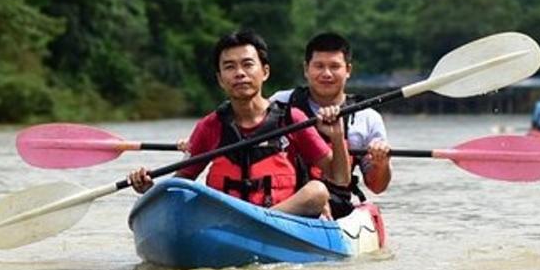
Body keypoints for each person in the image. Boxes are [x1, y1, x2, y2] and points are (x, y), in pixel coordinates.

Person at [127, 30, 349, 218]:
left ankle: (261, 222)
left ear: (265, 72)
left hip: (281, 222)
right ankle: (246, 225)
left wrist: (337, 136)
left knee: (317, 191)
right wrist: (149, 190)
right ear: (220, 79)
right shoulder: (210, 126)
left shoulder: (291, 118)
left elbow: (340, 178)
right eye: (230, 67)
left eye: (247, 64)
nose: (240, 73)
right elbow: (179, 186)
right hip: (226, 220)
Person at [271, 32, 391, 219]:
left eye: (335, 66)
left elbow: (377, 186)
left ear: (348, 70)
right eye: (319, 66)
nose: (326, 74)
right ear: (306, 69)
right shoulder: (281, 103)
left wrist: (381, 163)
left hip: (336, 207)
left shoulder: (367, 118)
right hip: (282, 199)